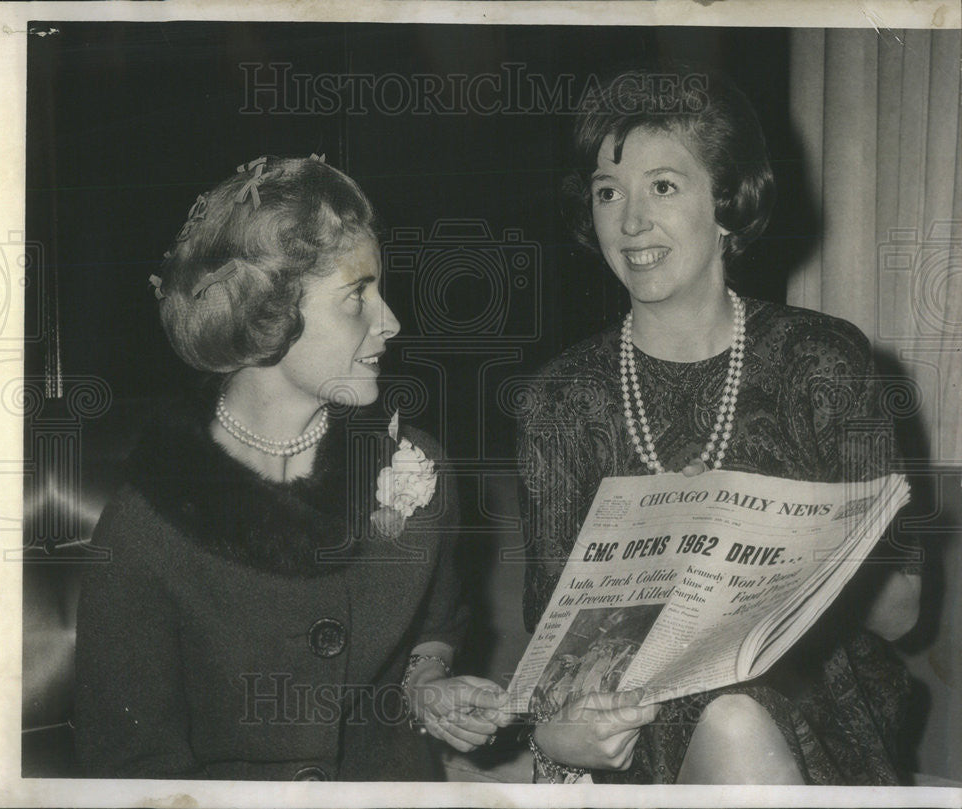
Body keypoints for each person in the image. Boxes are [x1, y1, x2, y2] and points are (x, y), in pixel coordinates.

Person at [517, 67, 922, 785]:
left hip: (816, 704)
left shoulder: (824, 361)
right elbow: (556, 650)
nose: (631, 220)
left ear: (728, 203)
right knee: (726, 717)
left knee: (739, 711)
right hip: (645, 726)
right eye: (608, 192)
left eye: (663, 187)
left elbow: (901, 613)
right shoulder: (561, 399)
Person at [74, 155, 508, 780]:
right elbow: (131, 770)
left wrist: (426, 685)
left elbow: (436, 629)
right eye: (358, 295)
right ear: (265, 311)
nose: (391, 322)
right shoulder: (144, 529)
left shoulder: (415, 467)